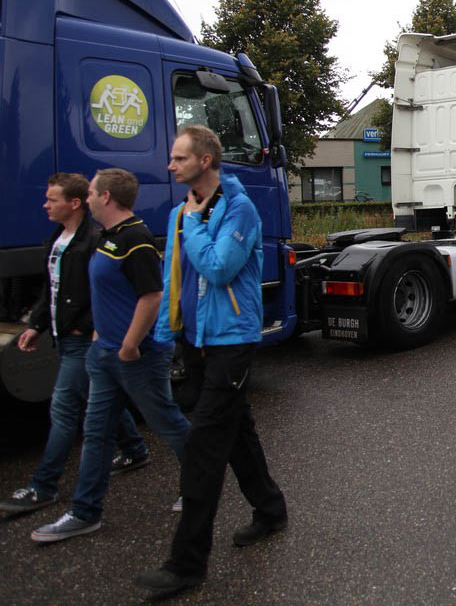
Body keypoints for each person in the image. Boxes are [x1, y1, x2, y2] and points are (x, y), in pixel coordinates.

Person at [135, 126, 288, 599]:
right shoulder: (181, 212)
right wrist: (166, 334)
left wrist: (196, 225)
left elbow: (219, 268)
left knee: (203, 446)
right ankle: (271, 510)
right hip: (196, 339)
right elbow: (174, 275)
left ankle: (186, 564)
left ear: (205, 160)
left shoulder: (238, 208)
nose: (170, 165)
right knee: (237, 432)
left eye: (179, 158)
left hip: (232, 341)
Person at [32, 169, 191, 544]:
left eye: (91, 192)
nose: (86, 198)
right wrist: (99, 336)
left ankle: (201, 481)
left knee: (168, 423)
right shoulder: (106, 237)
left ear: (106, 197)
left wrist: (130, 345)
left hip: (137, 357)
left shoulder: (135, 238)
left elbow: (152, 296)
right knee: (96, 433)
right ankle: (85, 513)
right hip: (104, 354)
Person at [1, 174, 150, 517]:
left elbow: (107, 292)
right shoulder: (58, 239)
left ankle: (43, 486)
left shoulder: (94, 241)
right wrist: (36, 325)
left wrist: (87, 327)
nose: (45, 205)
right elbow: (52, 289)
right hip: (64, 337)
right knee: (97, 399)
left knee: (65, 409)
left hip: (81, 340)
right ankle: (135, 449)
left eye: (52, 199)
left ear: (75, 203)